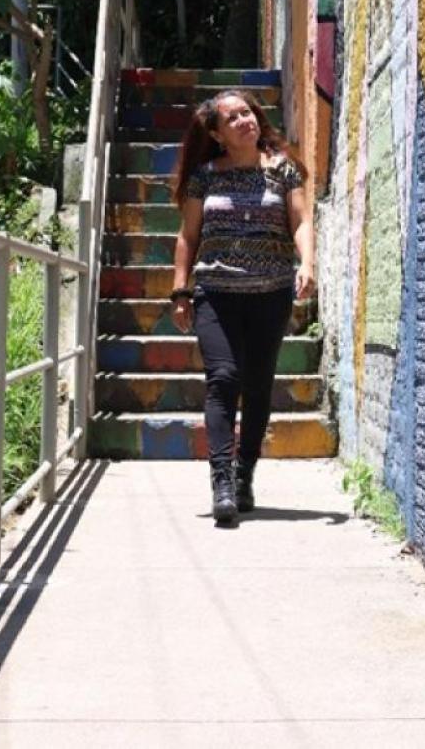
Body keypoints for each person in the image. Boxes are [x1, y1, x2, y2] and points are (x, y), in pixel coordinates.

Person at [170, 89, 315, 526]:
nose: (244, 120)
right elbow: (188, 237)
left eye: (247, 112)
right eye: (232, 118)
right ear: (216, 133)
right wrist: (181, 290)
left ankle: (244, 471)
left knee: (256, 386)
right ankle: (222, 483)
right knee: (223, 378)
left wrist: (307, 263)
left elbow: (301, 220)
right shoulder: (205, 177)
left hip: (270, 294)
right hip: (216, 293)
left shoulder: (283, 171)